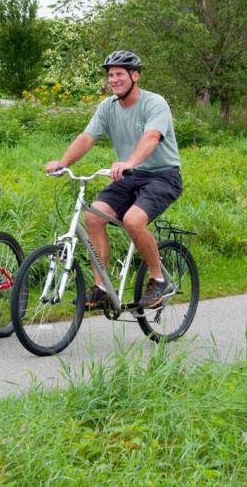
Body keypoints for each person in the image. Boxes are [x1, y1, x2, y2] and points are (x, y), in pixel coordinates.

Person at [45, 50, 182, 311]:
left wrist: (130, 162)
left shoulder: (154, 103)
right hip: (130, 176)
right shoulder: (107, 107)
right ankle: (102, 288)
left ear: (135, 76)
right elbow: (87, 137)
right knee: (93, 217)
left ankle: (158, 279)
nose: (114, 80)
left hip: (163, 175)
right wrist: (63, 163)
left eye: (119, 74)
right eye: (110, 75)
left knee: (133, 220)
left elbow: (152, 137)